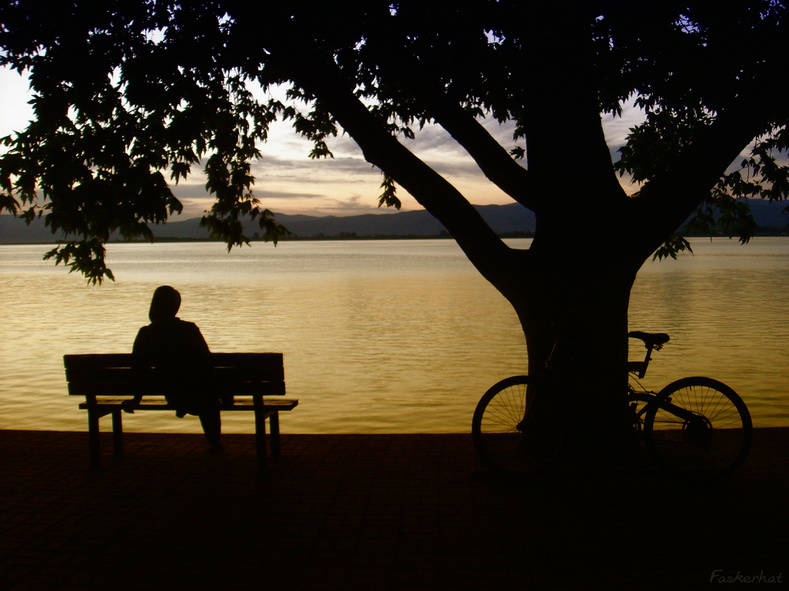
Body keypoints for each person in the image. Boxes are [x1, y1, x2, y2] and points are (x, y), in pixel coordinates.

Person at [123, 285, 223, 452]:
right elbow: (207, 361)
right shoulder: (189, 329)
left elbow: (139, 368)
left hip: (172, 392)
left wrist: (136, 398)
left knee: (201, 394)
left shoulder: (147, 333)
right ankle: (214, 443)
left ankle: (187, 405)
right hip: (199, 391)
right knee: (208, 398)